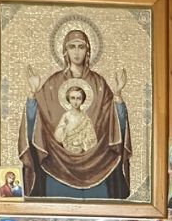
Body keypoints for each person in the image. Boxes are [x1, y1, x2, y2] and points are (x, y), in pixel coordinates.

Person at [19, 27, 131, 199]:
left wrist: (117, 96)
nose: (77, 52)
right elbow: (35, 122)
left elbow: (116, 125)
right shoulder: (52, 84)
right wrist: (32, 94)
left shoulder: (99, 84)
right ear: (65, 51)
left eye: (81, 47)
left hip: (97, 166)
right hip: (58, 167)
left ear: (88, 51)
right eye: (72, 47)